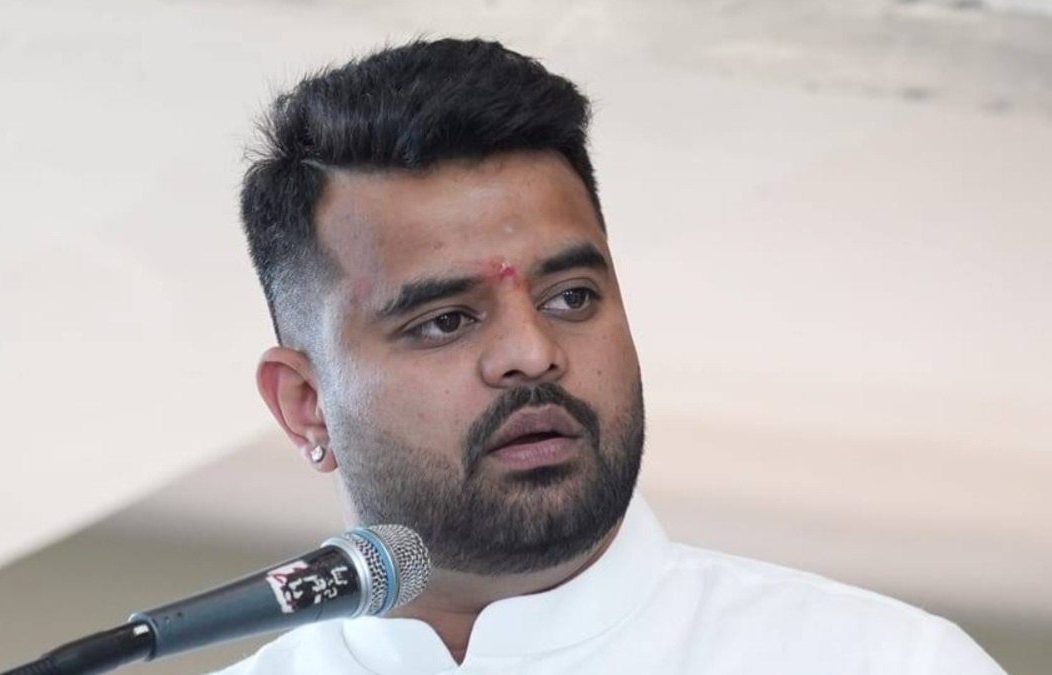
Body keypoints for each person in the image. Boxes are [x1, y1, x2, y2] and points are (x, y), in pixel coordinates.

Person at [217, 38, 1004, 675]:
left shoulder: (882, 660)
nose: (533, 353)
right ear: (305, 405)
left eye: (571, 298)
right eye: (446, 320)